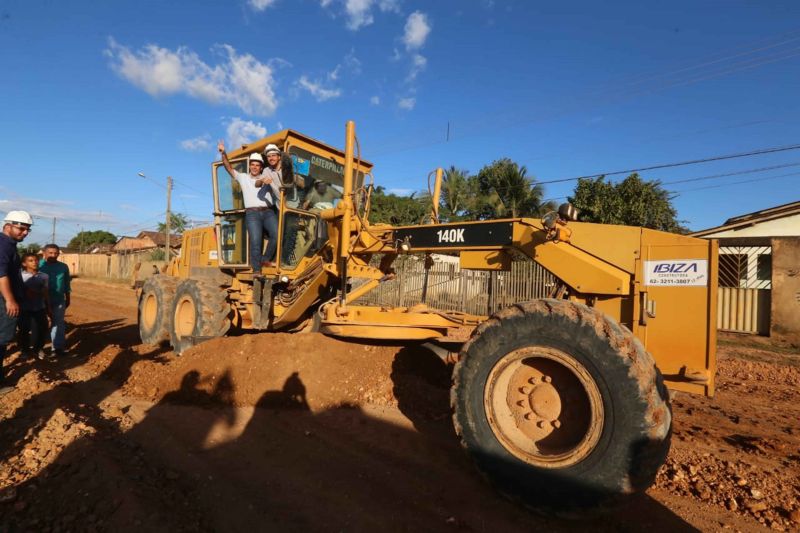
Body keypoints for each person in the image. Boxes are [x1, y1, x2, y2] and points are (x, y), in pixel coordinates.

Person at [218, 139, 280, 269]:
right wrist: (224, 153)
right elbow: (228, 168)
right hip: (252, 214)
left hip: (268, 212)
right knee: (255, 241)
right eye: (253, 164)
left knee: (277, 234)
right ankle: (257, 271)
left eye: (258, 165)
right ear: (249, 166)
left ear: (261, 167)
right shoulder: (243, 177)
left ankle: (265, 259)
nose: (255, 167)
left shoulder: (267, 176)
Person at [0, 210, 32, 395]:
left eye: (27, 230)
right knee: (2, 340)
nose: (25, 233)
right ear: (7, 226)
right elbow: (1, 274)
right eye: (21, 228)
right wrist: (10, 300)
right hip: (4, 300)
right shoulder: (4, 245)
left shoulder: (9, 245)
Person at [39, 244, 71, 357]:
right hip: (40, 301)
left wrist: (68, 298)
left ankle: (57, 348)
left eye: (56, 253)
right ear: (44, 253)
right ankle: (38, 348)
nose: (53, 255)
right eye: (50, 253)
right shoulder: (38, 265)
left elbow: (66, 283)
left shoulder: (63, 267)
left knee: (58, 323)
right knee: (40, 324)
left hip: (58, 299)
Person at [18, 252, 50, 360]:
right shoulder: (20, 276)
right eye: (30, 261)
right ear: (24, 263)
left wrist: (48, 308)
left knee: (43, 328)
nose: (35, 262)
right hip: (23, 308)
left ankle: (38, 349)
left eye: (36, 260)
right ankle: (25, 350)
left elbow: (46, 293)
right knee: (24, 330)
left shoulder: (44, 276)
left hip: (39, 307)